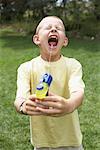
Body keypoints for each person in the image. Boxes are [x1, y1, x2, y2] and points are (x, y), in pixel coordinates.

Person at [14, 16, 85, 150]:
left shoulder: (73, 65)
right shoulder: (26, 68)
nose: (53, 29)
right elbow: (19, 99)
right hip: (42, 141)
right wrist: (23, 106)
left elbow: (78, 92)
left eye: (58, 28)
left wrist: (70, 105)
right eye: (48, 27)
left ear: (64, 41)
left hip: (70, 139)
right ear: (37, 39)